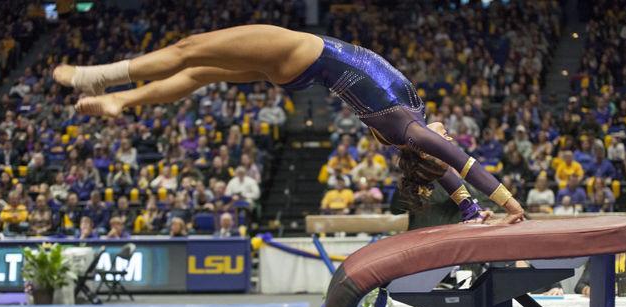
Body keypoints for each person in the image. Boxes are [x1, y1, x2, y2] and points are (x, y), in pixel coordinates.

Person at [53, 25, 524, 224]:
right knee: (197, 74)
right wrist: (470, 211)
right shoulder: (414, 133)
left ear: (431, 147)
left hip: (307, 52)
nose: (450, 136)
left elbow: (460, 163)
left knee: (189, 48)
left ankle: (97, 77)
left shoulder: (410, 131)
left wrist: (508, 203)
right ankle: (123, 101)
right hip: (300, 70)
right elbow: (448, 173)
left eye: (443, 142)